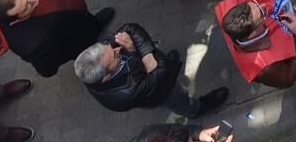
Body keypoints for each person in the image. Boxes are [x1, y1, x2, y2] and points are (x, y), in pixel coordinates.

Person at [74, 25, 228, 119]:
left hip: (152, 76)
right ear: (107, 76)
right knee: (178, 99)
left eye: (108, 45)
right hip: (159, 92)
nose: (117, 48)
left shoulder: (100, 57)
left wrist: (147, 54)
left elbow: (131, 28)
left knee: (162, 62)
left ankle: (168, 60)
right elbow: (162, 72)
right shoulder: (128, 92)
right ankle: (196, 110)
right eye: (114, 56)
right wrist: (135, 51)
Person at [0, 0, 114, 77]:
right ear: (17, 20)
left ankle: (95, 23)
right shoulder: (32, 45)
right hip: (76, 37)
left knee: (89, 22)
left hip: (77, 14)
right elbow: (47, 69)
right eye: (26, 7)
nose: (33, 0)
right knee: (89, 48)